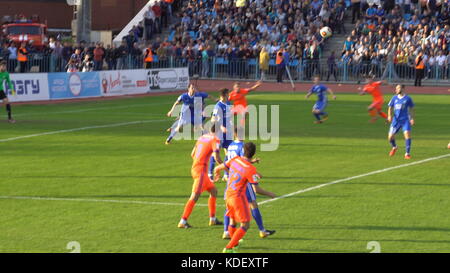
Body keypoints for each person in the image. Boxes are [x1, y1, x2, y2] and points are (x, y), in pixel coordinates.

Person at [214, 142, 276, 253]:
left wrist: (217, 173)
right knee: (245, 224)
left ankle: (235, 244)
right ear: (254, 153)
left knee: (233, 222)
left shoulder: (235, 159)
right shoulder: (251, 169)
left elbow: (219, 167)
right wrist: (270, 194)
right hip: (237, 198)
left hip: (228, 194)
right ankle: (229, 248)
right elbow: (257, 190)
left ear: (243, 150)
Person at [221, 128, 276, 240]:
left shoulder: (231, 145)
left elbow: (228, 160)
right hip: (242, 180)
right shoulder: (242, 146)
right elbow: (244, 161)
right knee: (253, 204)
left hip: (232, 177)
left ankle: (226, 232)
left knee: (229, 207)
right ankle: (262, 230)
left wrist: (225, 174)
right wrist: (255, 171)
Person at [178, 124, 223, 228]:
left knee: (214, 191)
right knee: (194, 196)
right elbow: (216, 157)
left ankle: (213, 219)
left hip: (196, 168)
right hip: (201, 171)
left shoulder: (202, 137)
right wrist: (224, 167)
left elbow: (192, 154)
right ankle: (182, 221)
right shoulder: (215, 139)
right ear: (218, 131)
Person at [208, 88, 233, 180]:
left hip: (228, 131)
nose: (229, 95)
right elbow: (213, 119)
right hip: (219, 132)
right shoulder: (218, 106)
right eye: (228, 94)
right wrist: (221, 126)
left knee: (229, 151)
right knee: (215, 153)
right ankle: (210, 173)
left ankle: (226, 174)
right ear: (225, 94)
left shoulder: (229, 103)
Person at [387, 84, 415, 160]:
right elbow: (390, 107)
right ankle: (394, 147)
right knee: (390, 137)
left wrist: (412, 118)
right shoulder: (394, 98)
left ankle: (407, 153)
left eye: (397, 88)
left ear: (402, 89)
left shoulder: (408, 98)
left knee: (407, 135)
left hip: (405, 120)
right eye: (396, 88)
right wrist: (389, 116)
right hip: (396, 120)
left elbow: (412, 109)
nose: (396, 90)